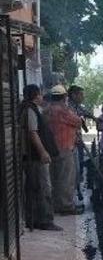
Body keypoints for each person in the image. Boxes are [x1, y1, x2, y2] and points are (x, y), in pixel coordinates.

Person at [20, 85, 62, 231]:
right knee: (44, 188)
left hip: (32, 156)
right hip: (35, 156)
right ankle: (44, 221)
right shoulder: (30, 110)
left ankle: (35, 220)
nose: (41, 97)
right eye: (40, 94)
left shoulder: (32, 109)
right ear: (35, 95)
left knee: (35, 188)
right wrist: (43, 152)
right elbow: (33, 133)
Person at [44, 85, 83, 215]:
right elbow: (77, 121)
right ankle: (66, 206)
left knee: (55, 178)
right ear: (64, 97)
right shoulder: (62, 110)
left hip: (51, 148)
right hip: (65, 148)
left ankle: (56, 205)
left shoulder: (47, 110)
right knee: (67, 178)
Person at [68, 85, 95, 199]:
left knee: (79, 166)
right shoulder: (68, 107)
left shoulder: (77, 106)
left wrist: (95, 118)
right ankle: (74, 192)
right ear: (73, 95)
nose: (82, 97)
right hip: (70, 141)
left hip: (77, 140)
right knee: (74, 168)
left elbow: (85, 112)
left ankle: (77, 190)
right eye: (80, 95)